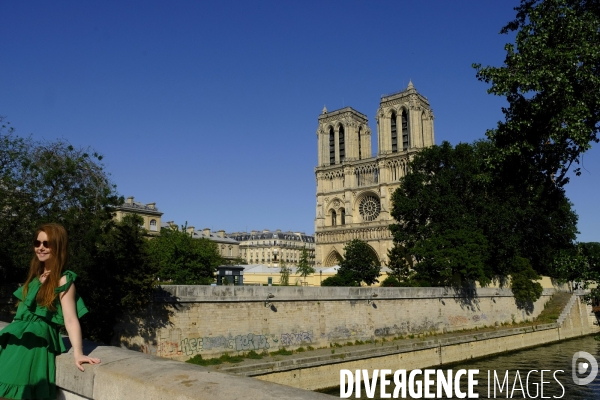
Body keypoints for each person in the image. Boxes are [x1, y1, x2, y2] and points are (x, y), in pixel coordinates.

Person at [0, 223, 101, 399]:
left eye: (46, 244)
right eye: (37, 243)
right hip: (14, 344)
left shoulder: (63, 280)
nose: (40, 248)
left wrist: (78, 353)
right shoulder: (35, 278)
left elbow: (70, 319)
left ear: (59, 246)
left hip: (34, 346)